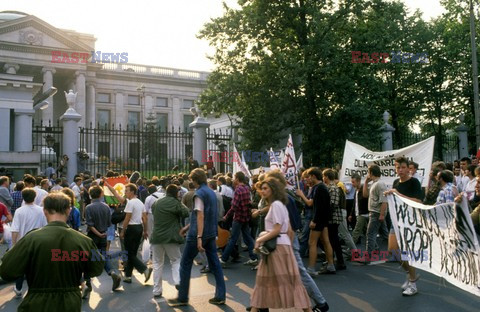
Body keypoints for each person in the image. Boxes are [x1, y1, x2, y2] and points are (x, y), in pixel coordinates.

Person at [0, 192, 104, 312]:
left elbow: (7, 270)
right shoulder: (85, 241)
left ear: (45, 211)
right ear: (68, 210)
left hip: (37, 303)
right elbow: (98, 267)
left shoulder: (31, 239)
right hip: (70, 303)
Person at [249, 177, 311, 312]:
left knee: (271, 281)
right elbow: (289, 230)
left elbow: (277, 229)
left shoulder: (276, 205)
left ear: (273, 190)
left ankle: (307, 309)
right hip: (281, 246)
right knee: (276, 281)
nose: (263, 191)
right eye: (262, 188)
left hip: (275, 248)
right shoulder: (280, 205)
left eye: (266, 188)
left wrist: (260, 240)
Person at [167, 168, 226, 307]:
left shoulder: (198, 194)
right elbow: (202, 214)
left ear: (194, 180)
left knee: (185, 263)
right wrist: (187, 227)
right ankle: (220, 295)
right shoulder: (211, 192)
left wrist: (198, 236)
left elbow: (200, 215)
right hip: (211, 232)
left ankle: (182, 297)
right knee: (215, 264)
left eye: (191, 179)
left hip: (198, 234)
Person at [385, 156, 424, 296]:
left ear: (408, 168)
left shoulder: (414, 182)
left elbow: (418, 201)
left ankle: (413, 284)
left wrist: (398, 194)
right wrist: (390, 194)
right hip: (397, 220)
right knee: (392, 250)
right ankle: (409, 273)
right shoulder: (396, 182)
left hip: (410, 222)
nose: (400, 170)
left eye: (402, 167)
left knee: (408, 252)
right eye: (397, 167)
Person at [106, 181, 152, 284]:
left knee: (128, 253)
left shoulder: (130, 202)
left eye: (126, 191)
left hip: (130, 229)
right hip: (139, 228)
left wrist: (122, 231)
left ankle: (144, 269)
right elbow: (145, 218)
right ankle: (128, 276)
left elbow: (127, 218)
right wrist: (145, 231)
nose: (125, 193)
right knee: (133, 253)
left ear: (132, 191)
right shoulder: (140, 202)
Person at [82, 185, 122, 299]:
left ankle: (88, 283)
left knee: (89, 258)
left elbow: (89, 224)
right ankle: (112, 272)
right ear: (101, 194)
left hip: (93, 235)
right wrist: (101, 233)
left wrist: (97, 233)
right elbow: (109, 223)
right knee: (103, 256)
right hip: (103, 234)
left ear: (90, 195)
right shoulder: (106, 207)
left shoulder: (89, 207)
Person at [150, 184, 189, 298]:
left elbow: (152, 210)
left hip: (156, 236)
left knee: (157, 263)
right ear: (176, 193)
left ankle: (156, 290)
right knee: (176, 260)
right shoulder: (175, 202)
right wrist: (178, 201)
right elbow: (186, 212)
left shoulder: (157, 202)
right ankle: (178, 281)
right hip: (171, 237)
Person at [10, 188, 47, 297]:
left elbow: (15, 229)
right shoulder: (41, 210)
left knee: (21, 266)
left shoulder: (19, 211)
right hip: (38, 242)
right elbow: (45, 226)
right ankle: (34, 288)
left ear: (23, 197)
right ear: (34, 197)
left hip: (23, 243)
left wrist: (13, 244)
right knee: (35, 266)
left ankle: (18, 288)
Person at [220, 172, 258, 266]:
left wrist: (226, 216)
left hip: (238, 217)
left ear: (237, 179)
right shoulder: (246, 188)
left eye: (234, 178)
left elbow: (234, 206)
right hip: (245, 216)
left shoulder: (238, 190)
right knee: (248, 238)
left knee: (233, 239)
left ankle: (224, 259)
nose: (233, 179)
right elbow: (248, 202)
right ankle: (254, 257)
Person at [304, 167, 335, 275]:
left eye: (308, 177)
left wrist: (314, 220)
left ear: (313, 176)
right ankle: (331, 265)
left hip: (319, 220)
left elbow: (319, 207)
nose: (307, 179)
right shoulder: (321, 187)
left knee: (312, 243)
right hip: (323, 220)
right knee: (326, 241)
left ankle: (311, 269)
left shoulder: (319, 188)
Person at [364, 164, 388, 265]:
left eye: (368, 172)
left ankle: (367, 257)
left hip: (376, 212)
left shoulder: (380, 184)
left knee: (370, 234)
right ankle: (398, 252)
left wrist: (382, 214)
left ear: (372, 173)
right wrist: (365, 182)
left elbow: (384, 201)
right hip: (375, 212)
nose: (367, 174)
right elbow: (365, 195)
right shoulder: (374, 183)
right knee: (386, 234)